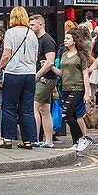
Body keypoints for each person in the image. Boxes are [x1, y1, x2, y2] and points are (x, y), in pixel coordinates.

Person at [0, 6, 39, 149]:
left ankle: (7, 139)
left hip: (14, 73)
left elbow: (6, 55)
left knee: (9, 107)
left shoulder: (11, 33)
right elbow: (35, 57)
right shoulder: (32, 34)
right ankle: (28, 140)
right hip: (30, 74)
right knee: (27, 108)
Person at [58, 27, 94, 152]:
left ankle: (83, 138)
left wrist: (87, 93)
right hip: (65, 88)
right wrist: (49, 66)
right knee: (71, 115)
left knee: (65, 114)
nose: (65, 40)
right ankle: (76, 142)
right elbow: (61, 72)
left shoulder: (81, 56)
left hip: (77, 88)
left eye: (68, 38)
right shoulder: (64, 54)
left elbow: (85, 74)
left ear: (74, 41)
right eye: (65, 38)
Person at [30, 14, 59, 148]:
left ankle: (34, 139)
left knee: (34, 107)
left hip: (45, 79)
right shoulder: (38, 39)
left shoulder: (47, 40)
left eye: (32, 25)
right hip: (46, 79)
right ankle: (49, 141)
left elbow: (50, 62)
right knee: (44, 110)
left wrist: (37, 75)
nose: (30, 27)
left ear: (40, 25)